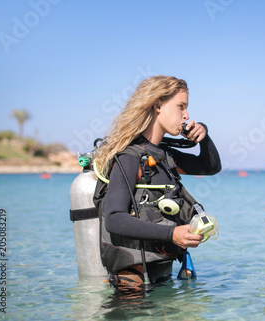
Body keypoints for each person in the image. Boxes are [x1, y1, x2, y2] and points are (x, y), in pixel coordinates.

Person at [93, 75, 221, 289]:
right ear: (158, 105)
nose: (186, 115)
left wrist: (204, 136)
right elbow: (113, 219)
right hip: (131, 284)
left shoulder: (165, 156)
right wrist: (172, 234)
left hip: (160, 275)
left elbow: (210, 167)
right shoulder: (129, 157)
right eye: (181, 107)